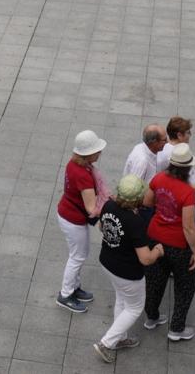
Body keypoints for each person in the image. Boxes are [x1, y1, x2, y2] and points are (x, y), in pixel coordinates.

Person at [90, 174, 163, 363]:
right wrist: (157, 251)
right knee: (134, 307)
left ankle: (120, 338)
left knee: (122, 299)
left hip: (107, 262)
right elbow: (146, 259)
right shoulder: (135, 222)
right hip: (128, 272)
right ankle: (106, 343)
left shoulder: (108, 205)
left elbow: (101, 226)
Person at [143, 143, 195, 342]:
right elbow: (188, 227)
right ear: (188, 168)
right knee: (184, 286)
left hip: (155, 237)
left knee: (154, 280)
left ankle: (152, 317)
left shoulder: (158, 178)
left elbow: (147, 202)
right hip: (179, 245)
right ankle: (176, 328)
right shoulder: (187, 192)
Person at [56, 130, 107, 313]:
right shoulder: (84, 175)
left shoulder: (74, 164)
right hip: (73, 220)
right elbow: (91, 209)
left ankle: (74, 287)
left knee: (77, 254)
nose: (100, 153)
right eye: (97, 150)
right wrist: (109, 207)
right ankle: (66, 294)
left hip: (67, 213)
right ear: (88, 154)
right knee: (77, 257)